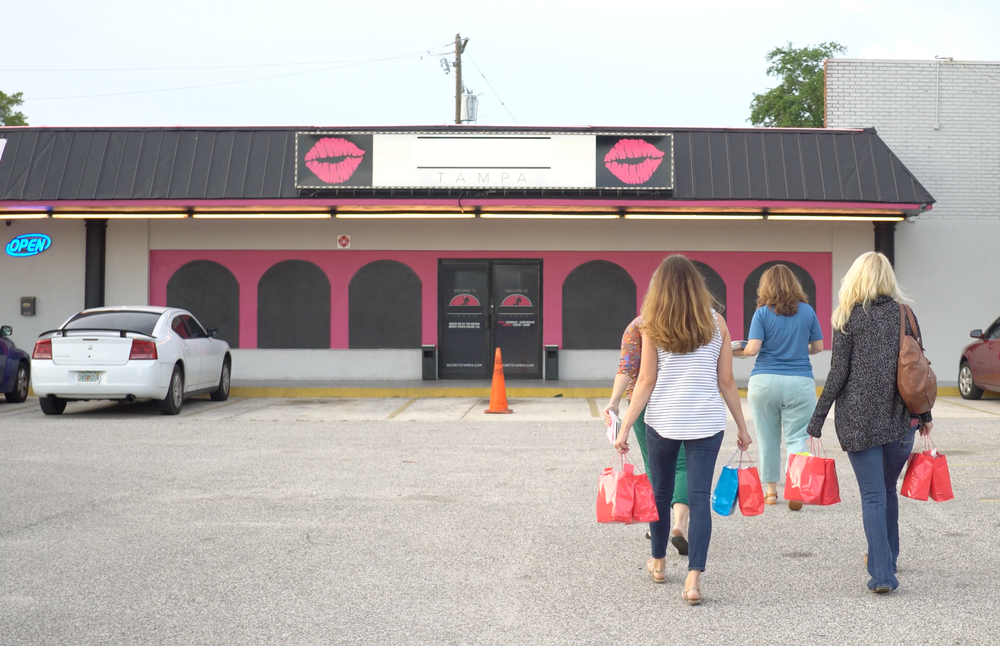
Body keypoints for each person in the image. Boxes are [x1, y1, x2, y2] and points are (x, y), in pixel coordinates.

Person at [615, 255, 752, 605]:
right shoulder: (716, 322)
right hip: (706, 422)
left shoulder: (651, 324)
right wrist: (741, 425)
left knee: (659, 494)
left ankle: (659, 564)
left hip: (663, 420)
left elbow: (645, 380)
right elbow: (726, 381)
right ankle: (693, 581)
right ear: (696, 285)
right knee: (699, 499)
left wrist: (625, 427)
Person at [806, 251, 933, 594]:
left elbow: (838, 374)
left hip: (859, 420)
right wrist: (925, 415)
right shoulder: (905, 314)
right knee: (885, 490)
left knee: (873, 495)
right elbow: (917, 369)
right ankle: (887, 560)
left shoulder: (848, 317)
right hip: (902, 418)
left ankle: (882, 575)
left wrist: (817, 419)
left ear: (856, 278)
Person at [734, 265, 824, 511]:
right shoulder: (807, 311)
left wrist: (734, 352)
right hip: (800, 382)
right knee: (798, 438)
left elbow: (752, 349)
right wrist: (797, 349)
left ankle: (771, 493)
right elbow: (818, 347)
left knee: (768, 438)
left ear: (766, 287)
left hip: (765, 382)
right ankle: (796, 488)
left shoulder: (762, 313)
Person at [603, 317, 690, 555]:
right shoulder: (696, 319)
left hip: (643, 402)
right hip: (684, 401)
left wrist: (613, 403)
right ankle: (680, 523)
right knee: (682, 466)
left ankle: (657, 526)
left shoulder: (640, 325)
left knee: (655, 465)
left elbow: (627, 367)